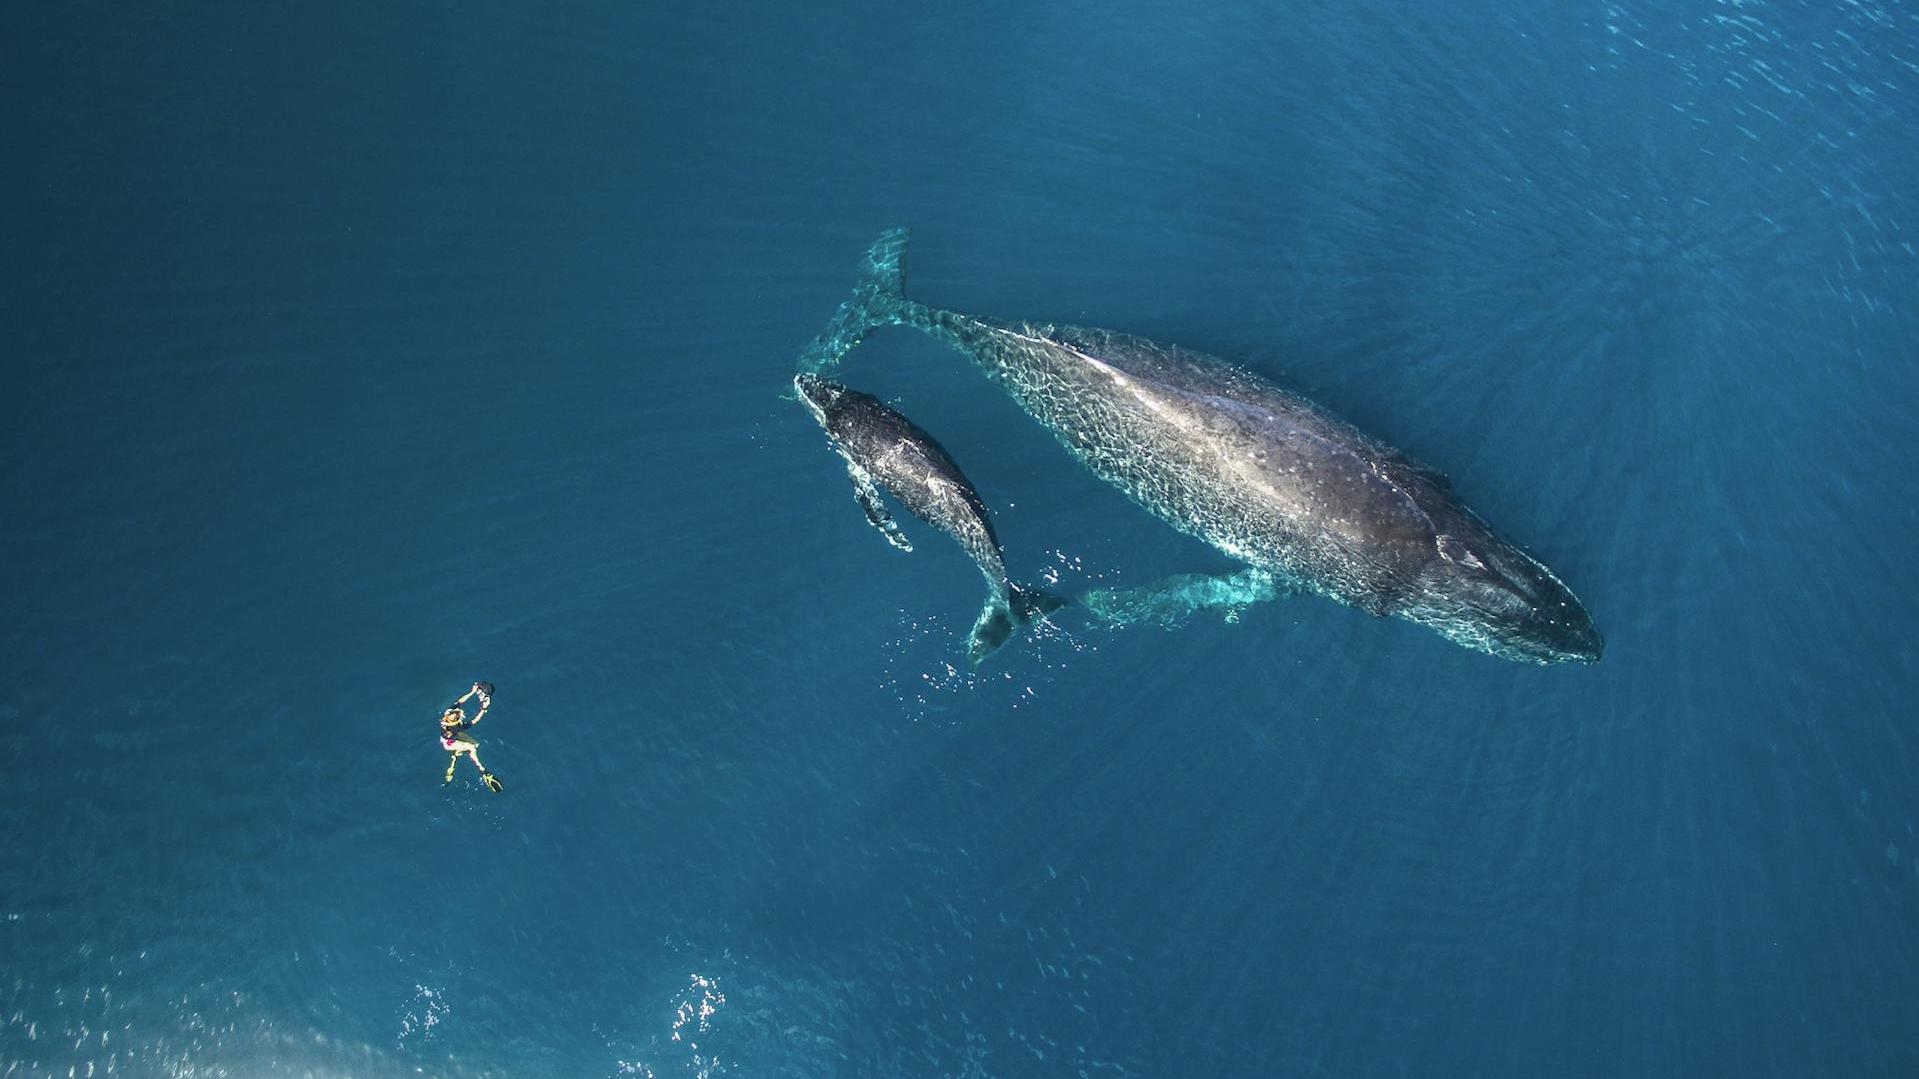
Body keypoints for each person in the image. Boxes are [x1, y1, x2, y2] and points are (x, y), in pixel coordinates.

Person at [440, 681, 502, 792]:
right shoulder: (455, 727)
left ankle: (457, 753)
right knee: (471, 747)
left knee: (476, 744)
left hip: (453, 737)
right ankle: (482, 770)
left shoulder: (448, 713)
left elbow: (460, 701)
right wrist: (483, 709)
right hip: (449, 743)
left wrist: (472, 692)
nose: (461, 713)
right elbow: (473, 722)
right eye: (459, 715)